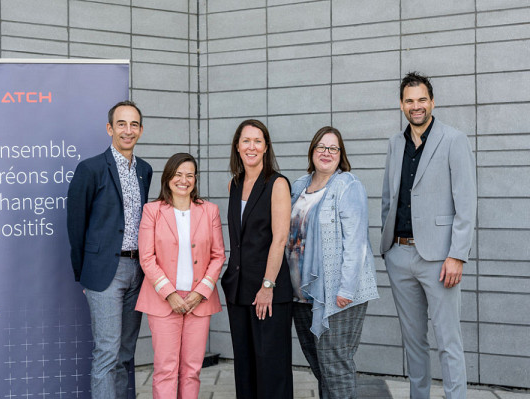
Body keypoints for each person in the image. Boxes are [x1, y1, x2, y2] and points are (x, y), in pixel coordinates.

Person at [380, 72, 476, 399]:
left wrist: (457, 255)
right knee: (414, 342)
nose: (416, 106)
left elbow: (466, 203)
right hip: (399, 255)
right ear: (402, 105)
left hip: (440, 258)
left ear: (432, 102)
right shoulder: (395, 144)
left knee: (448, 341)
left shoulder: (453, 140)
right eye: (409, 100)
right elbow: (388, 199)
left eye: (422, 99)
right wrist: (388, 247)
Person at [67, 100, 152, 398]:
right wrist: (84, 276)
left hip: (137, 272)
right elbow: (76, 225)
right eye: (121, 124)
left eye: (133, 125)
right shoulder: (90, 169)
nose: (127, 131)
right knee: (107, 351)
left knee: (125, 354)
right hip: (104, 272)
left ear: (140, 130)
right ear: (109, 128)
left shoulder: (145, 169)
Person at [287, 126, 379, 399]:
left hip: (337, 292)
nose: (326, 152)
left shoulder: (348, 185)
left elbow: (356, 242)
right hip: (301, 294)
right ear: (312, 151)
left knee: (335, 365)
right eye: (321, 147)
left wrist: (346, 290)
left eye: (333, 148)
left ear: (341, 154)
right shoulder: (298, 186)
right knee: (320, 365)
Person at [136, 153, 226, 398]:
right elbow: (146, 257)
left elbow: (218, 255)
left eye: (189, 175)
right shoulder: (152, 211)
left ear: (195, 179)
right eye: (178, 174)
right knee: (166, 369)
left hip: (199, 302)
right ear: (168, 178)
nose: (183, 180)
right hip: (163, 301)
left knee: (192, 369)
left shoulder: (209, 211)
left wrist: (200, 292)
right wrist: (170, 293)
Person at [221, 119, 293, 398]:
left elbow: (280, 238)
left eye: (257, 141)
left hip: (268, 289)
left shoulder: (277, 184)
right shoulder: (234, 184)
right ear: (237, 147)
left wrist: (267, 286)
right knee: (245, 367)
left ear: (266, 147)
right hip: (238, 289)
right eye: (246, 141)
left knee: (271, 367)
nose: (251, 146)